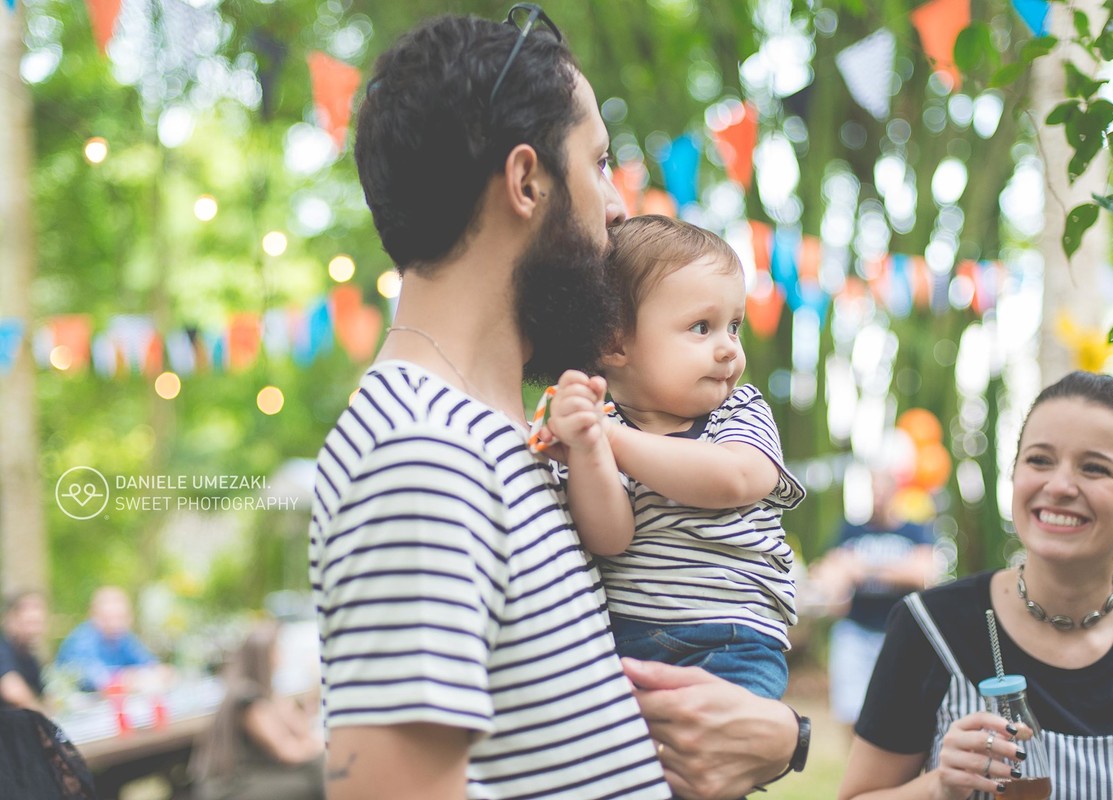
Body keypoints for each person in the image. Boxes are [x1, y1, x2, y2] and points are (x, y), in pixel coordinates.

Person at [308, 7, 805, 800]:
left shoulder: (513, 437)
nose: (617, 206)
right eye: (600, 163)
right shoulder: (419, 458)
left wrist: (783, 737)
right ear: (527, 180)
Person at [839, 371, 1113, 799]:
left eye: (1094, 468)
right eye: (1040, 460)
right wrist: (939, 787)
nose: (1059, 486)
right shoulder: (930, 628)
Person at [540, 214, 804, 701]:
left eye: (735, 326)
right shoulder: (601, 427)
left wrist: (612, 442)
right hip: (627, 638)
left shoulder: (740, 411)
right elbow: (610, 537)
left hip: (734, 639)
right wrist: (588, 447)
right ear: (615, 343)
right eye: (702, 327)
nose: (729, 349)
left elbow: (734, 478)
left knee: (710, 746)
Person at [810, 468, 936, 726]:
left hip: (899, 632)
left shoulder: (914, 531)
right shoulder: (849, 531)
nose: (877, 499)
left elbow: (921, 573)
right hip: (855, 630)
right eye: (873, 493)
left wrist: (864, 569)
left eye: (883, 493)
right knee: (849, 708)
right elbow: (828, 572)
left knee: (904, 708)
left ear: (895, 493)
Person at [189, 621, 324, 800]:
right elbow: (287, 752)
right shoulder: (247, 697)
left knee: (319, 769)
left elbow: (302, 732)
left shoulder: (267, 694)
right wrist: (324, 747)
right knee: (316, 778)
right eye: (278, 649)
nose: (282, 654)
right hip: (234, 786)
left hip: (258, 774)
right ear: (265, 655)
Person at [54, 586, 159, 692]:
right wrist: (130, 677)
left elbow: (153, 667)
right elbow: (98, 680)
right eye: (108, 618)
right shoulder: (82, 641)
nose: (115, 624)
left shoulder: (125, 638)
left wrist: (134, 676)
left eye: (120, 617)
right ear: (94, 616)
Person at [0, 590, 48, 711]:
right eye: (29, 623)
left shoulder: (30, 658)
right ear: (11, 620)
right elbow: (12, 690)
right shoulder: (3, 649)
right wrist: (42, 714)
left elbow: (44, 696)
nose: (34, 631)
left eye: (38, 624)